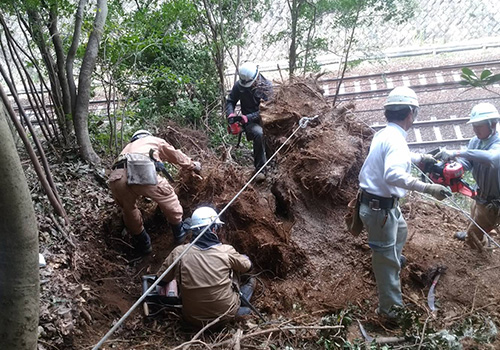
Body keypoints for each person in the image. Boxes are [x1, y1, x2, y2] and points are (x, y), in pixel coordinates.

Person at [357, 86, 450, 322]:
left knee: (401, 230)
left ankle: (390, 259)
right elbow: (393, 175)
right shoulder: (395, 140)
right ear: (411, 113)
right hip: (380, 209)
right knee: (386, 260)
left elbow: (392, 156)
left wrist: (420, 159)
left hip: (380, 205)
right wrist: (427, 187)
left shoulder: (385, 134)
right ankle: (390, 312)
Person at [158, 206, 255, 327]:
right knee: (242, 274)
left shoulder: (179, 253)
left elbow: (161, 280)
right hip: (225, 315)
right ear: (213, 229)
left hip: (192, 318)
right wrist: (244, 258)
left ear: (193, 230)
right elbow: (248, 267)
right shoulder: (226, 251)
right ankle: (240, 306)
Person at [108, 130, 201, 255]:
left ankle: (143, 243)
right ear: (146, 135)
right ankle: (179, 231)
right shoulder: (153, 140)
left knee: (128, 210)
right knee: (167, 196)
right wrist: (192, 165)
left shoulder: (126, 148)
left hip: (116, 178)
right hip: (139, 169)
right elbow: (174, 155)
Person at [436, 103, 500, 251]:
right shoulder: (475, 141)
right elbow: (467, 162)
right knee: (475, 216)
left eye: (480, 126)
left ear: (493, 124)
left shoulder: (497, 142)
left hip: (494, 201)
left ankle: (478, 253)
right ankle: (483, 235)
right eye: (474, 126)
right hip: (480, 195)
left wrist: (457, 152)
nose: (476, 130)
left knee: (472, 236)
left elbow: (492, 159)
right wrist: (452, 167)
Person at [226, 62, 273, 181]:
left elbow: (269, 109)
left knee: (270, 136)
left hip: (267, 119)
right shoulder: (240, 85)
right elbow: (230, 100)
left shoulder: (266, 87)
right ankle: (260, 170)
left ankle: (273, 164)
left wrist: (249, 117)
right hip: (250, 122)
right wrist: (230, 113)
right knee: (259, 133)